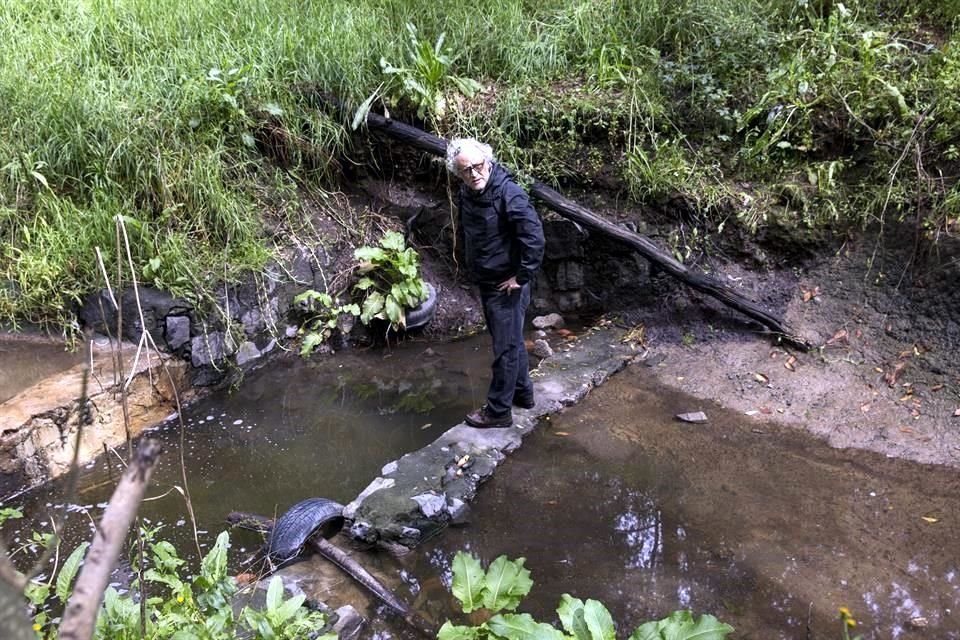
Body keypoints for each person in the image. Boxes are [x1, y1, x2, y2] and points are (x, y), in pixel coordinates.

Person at [446, 138, 545, 428]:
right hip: (488, 280)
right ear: (458, 173)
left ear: (488, 163)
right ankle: (524, 394)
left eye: (478, 167)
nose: (474, 173)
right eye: (466, 170)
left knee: (504, 348)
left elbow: (534, 238)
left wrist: (521, 276)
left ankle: (499, 411)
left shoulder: (509, 194)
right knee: (511, 341)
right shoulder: (468, 193)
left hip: (507, 285)